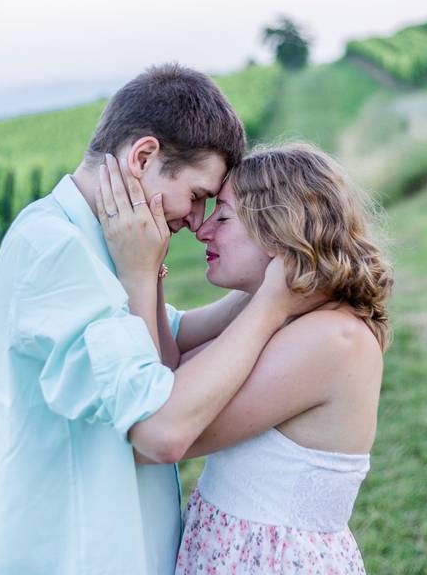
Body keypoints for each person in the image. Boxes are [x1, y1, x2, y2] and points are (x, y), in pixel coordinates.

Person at [0, 64, 318, 575]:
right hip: (85, 551)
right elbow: (153, 415)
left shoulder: (98, 240)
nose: (195, 220)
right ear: (144, 156)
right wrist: (144, 274)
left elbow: (170, 339)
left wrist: (281, 275)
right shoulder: (53, 249)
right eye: (198, 196)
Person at [100, 143, 393, 574]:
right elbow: (171, 373)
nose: (203, 230)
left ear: (280, 231)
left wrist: (139, 275)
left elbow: (161, 429)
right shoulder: (274, 305)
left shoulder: (332, 338)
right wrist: (152, 269)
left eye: (223, 215)